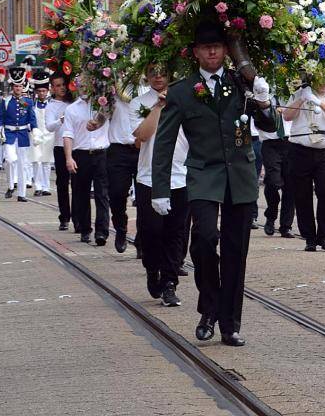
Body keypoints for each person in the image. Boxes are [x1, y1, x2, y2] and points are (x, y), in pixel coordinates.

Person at [151, 19, 275, 347]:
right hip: (204, 173)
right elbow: (164, 142)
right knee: (204, 239)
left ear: (225, 50)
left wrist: (263, 99)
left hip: (241, 175)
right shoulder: (181, 91)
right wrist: (160, 189)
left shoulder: (242, 82)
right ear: (195, 53)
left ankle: (229, 323)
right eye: (206, 47)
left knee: (236, 250)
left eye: (217, 46)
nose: (212, 52)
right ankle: (209, 306)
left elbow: (271, 124)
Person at [130, 63, 189, 307]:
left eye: (163, 72)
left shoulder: (186, 99)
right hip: (149, 177)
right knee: (152, 231)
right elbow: (141, 135)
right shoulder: (139, 102)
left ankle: (169, 283)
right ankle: (152, 269)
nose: (158, 77)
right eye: (153, 72)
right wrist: (159, 105)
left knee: (176, 234)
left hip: (180, 176)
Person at [283, 78, 325, 252]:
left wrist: (317, 101)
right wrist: (302, 97)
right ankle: (309, 237)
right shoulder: (299, 94)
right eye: (321, 79)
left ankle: (323, 236)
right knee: (302, 195)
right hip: (299, 150)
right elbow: (287, 115)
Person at [62, 85, 111, 245]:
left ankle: (101, 232)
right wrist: (69, 157)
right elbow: (68, 134)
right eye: (80, 85)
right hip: (81, 154)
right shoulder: (71, 109)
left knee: (101, 193)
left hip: (101, 153)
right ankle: (84, 229)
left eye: (87, 84)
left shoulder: (103, 103)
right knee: (81, 193)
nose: (84, 88)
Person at [106, 84, 140, 253]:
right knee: (117, 193)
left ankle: (143, 238)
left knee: (145, 197)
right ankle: (121, 228)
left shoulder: (147, 92)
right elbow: (101, 115)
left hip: (143, 149)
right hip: (118, 150)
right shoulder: (112, 94)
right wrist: (94, 123)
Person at [258, 94, 295, 238]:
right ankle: (271, 215)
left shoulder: (295, 94)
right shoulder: (263, 93)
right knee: (273, 182)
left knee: (291, 186)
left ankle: (286, 226)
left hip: (291, 142)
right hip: (270, 143)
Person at [1, 67, 37, 202]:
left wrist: (35, 131)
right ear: (12, 87)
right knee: (10, 160)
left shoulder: (28, 102)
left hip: (22, 135)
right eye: (16, 85)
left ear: (23, 86)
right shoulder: (5, 101)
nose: (18, 88)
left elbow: (32, 118)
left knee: (22, 164)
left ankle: (21, 194)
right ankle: (11, 185)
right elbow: (1, 119)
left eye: (20, 85)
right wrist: (1, 131)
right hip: (9, 134)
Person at [45, 72, 74, 230]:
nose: (62, 88)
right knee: (62, 183)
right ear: (52, 89)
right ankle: (64, 217)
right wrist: (61, 119)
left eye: (63, 84)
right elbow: (49, 127)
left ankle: (78, 217)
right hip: (60, 146)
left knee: (77, 184)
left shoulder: (73, 102)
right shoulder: (51, 106)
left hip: (76, 146)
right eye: (58, 86)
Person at [29, 71, 56, 197]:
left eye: (44, 91)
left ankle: (46, 187)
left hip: (49, 135)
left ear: (47, 91)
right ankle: (38, 186)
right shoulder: (31, 104)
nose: (41, 93)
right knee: (36, 161)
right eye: (39, 91)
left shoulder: (52, 104)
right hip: (36, 135)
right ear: (36, 92)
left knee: (46, 162)